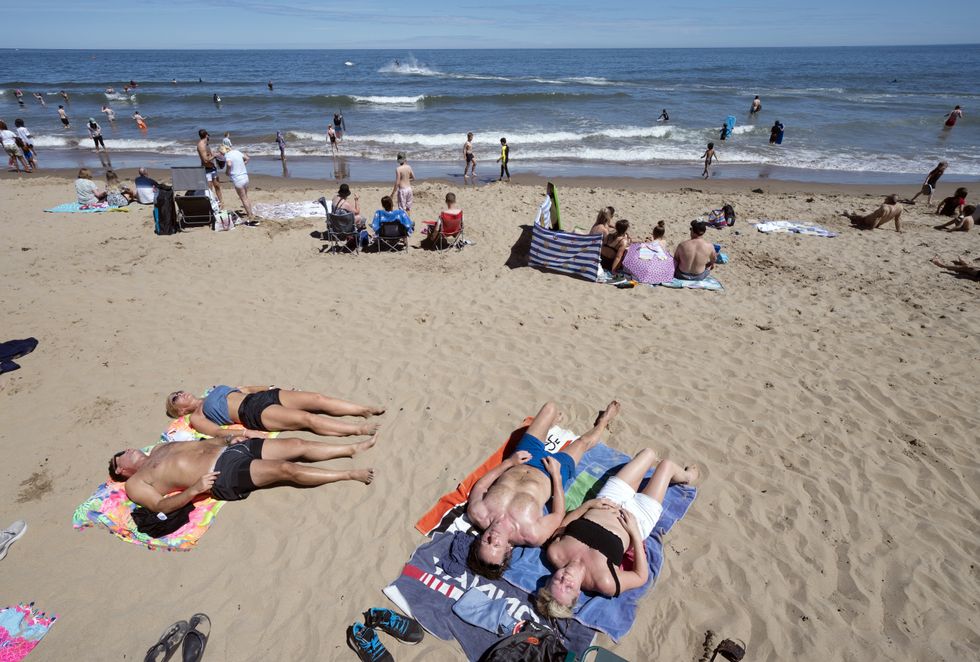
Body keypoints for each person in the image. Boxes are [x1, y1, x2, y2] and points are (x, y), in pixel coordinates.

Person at [534, 448, 700, 617]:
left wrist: (588, 505)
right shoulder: (604, 582)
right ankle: (687, 478)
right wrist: (635, 533)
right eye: (568, 587)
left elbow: (563, 525)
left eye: (558, 580)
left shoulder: (555, 553)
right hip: (639, 516)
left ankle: (642, 476)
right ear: (577, 593)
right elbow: (640, 576)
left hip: (609, 499)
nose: (565, 579)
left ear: (549, 580)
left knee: (648, 454)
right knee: (666, 466)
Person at [466, 401, 621, 578]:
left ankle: (551, 423)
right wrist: (557, 476)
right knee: (583, 443)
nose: (493, 538)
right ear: (508, 549)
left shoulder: (478, 512)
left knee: (550, 407)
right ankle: (604, 421)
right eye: (496, 545)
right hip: (551, 473)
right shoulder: (531, 534)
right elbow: (557, 514)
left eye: (487, 542)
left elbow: (481, 486)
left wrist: (509, 462)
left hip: (522, 458)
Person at [107, 433, 377, 511]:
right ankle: (348, 475)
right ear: (122, 469)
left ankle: (350, 448)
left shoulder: (160, 447)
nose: (131, 449)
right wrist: (194, 490)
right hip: (222, 471)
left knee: (297, 444)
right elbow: (159, 506)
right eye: (125, 453)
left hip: (229, 451)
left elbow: (200, 444)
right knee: (286, 469)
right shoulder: (136, 485)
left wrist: (227, 440)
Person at [165, 385, 384, 439]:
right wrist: (246, 434)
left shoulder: (212, 391)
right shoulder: (197, 416)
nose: (180, 393)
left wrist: (269, 388)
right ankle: (358, 430)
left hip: (259, 397)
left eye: (179, 391)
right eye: (176, 397)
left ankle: (362, 409)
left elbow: (247, 389)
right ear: (179, 410)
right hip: (250, 412)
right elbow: (217, 432)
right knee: (307, 418)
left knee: (316, 399)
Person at [222, 144, 253, 218]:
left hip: (238, 179)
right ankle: (250, 213)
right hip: (245, 177)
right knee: (246, 197)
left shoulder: (227, 155)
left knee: (243, 198)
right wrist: (242, 165)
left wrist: (227, 172)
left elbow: (229, 164)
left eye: (221, 153)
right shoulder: (237, 151)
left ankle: (249, 215)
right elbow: (247, 158)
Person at [196, 129, 223, 206]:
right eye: (208, 135)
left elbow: (209, 155)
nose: (209, 137)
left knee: (217, 186)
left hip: (213, 168)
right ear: (206, 135)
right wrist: (214, 156)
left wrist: (217, 154)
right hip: (206, 169)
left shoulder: (207, 144)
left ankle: (221, 202)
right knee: (209, 189)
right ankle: (210, 204)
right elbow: (205, 160)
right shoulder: (201, 145)